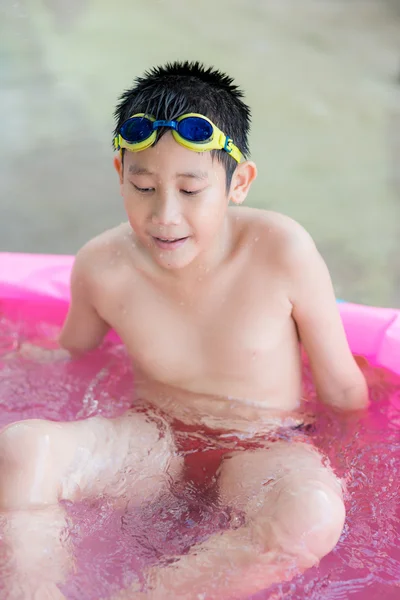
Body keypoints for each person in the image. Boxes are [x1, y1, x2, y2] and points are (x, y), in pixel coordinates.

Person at [0, 61, 369, 600]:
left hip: (263, 445)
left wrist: (349, 452)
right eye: (143, 186)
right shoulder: (102, 265)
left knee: (312, 514)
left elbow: (341, 387)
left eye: (191, 190)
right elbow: (72, 353)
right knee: (24, 450)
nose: (164, 215)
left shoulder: (281, 252)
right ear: (119, 174)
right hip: (155, 440)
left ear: (238, 183)